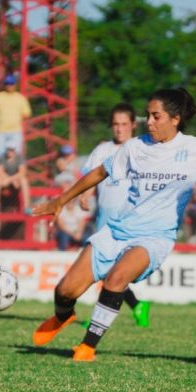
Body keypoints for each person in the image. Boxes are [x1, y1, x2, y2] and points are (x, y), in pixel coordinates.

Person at [31, 87, 196, 362]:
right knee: (64, 291)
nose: (150, 122)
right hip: (117, 230)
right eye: (147, 115)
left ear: (175, 119)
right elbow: (99, 173)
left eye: (156, 116)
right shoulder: (135, 147)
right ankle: (64, 315)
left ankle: (87, 347)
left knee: (117, 278)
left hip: (155, 237)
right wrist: (61, 200)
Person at [79, 103, 152, 327]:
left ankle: (99, 318)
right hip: (104, 219)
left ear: (132, 125)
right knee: (105, 271)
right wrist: (86, 194)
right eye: (116, 124)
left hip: (129, 222)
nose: (119, 129)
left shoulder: (142, 150)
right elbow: (92, 176)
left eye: (124, 124)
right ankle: (137, 305)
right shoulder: (102, 150)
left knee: (114, 271)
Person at [0, 74, 32, 160]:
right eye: (7, 84)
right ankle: (0, 172)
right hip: (1, 130)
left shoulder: (20, 98)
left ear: (15, 85)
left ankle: (17, 172)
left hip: (15, 130)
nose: (9, 86)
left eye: (11, 84)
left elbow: (27, 113)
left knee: (17, 155)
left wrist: (15, 118)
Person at [0, 147, 31, 213]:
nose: (10, 152)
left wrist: (11, 179)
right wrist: (9, 179)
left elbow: (23, 172)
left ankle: (27, 207)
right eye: (9, 150)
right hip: (5, 180)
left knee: (24, 180)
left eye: (12, 150)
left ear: (15, 151)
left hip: (16, 181)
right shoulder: (2, 157)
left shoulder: (20, 158)